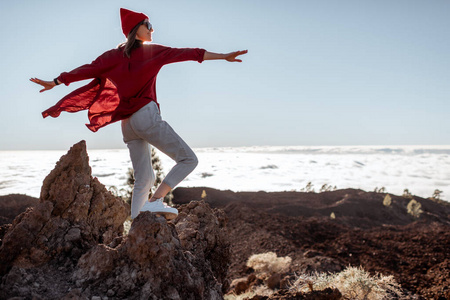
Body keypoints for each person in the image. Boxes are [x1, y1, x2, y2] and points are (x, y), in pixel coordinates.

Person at [30, 8, 247, 220]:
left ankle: (137, 225)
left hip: (127, 125)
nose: (152, 29)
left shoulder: (111, 56)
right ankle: (155, 201)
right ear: (137, 29)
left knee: (144, 177)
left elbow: (86, 69)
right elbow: (189, 54)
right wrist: (223, 56)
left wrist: (56, 82)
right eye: (148, 25)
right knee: (188, 160)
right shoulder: (152, 51)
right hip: (146, 116)